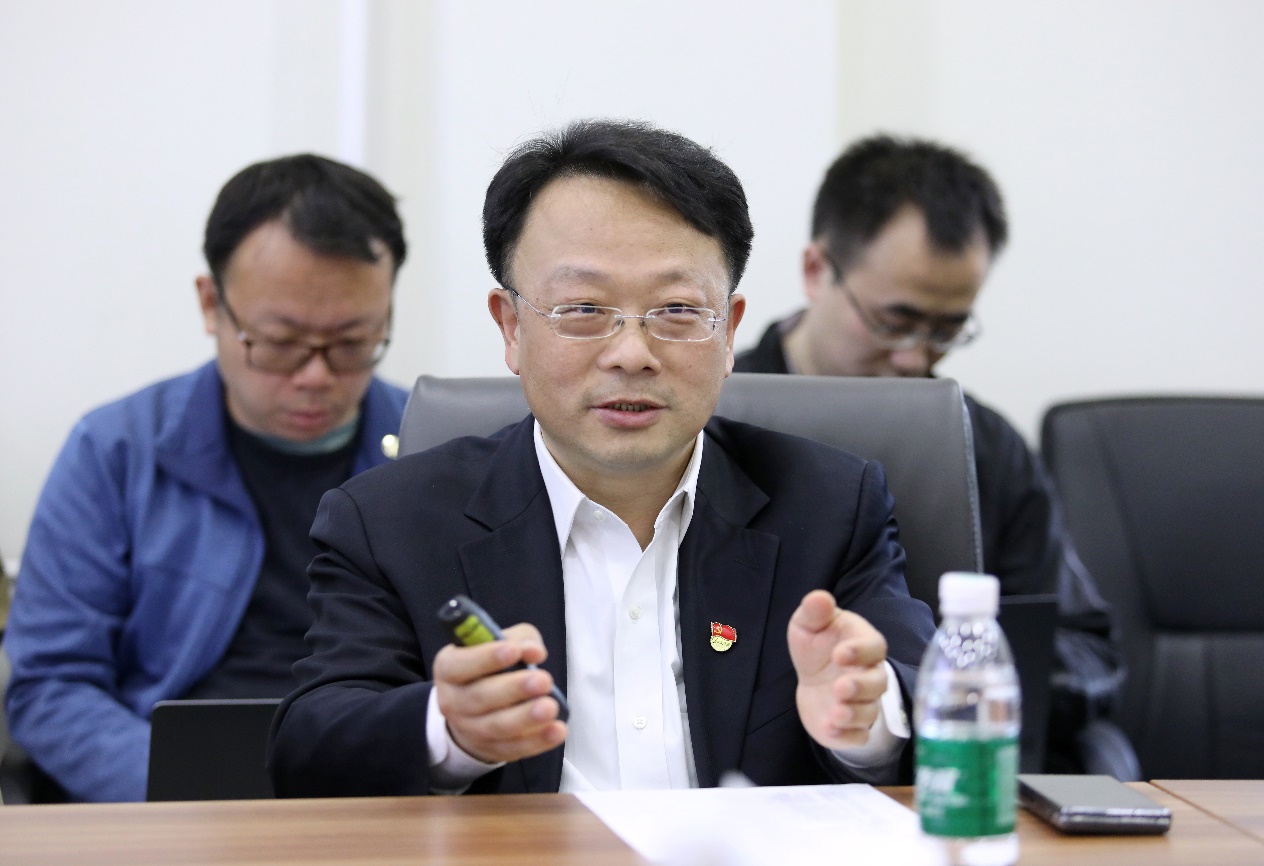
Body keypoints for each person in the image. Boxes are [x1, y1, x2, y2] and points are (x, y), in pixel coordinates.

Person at [268, 120, 936, 797]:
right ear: (511, 327)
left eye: (676, 311)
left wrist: (867, 719)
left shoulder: (830, 506)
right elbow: (309, 750)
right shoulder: (388, 522)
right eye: (584, 309)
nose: (631, 354)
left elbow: (935, 707)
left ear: (729, 332)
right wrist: (452, 731)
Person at [4, 154, 410, 802]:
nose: (315, 376)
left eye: (352, 343)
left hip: (375, 791)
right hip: (167, 794)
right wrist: (178, 797)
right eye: (279, 342)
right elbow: (51, 685)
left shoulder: (429, 455)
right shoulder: (114, 453)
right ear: (211, 304)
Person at [733, 135, 1125, 772]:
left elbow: (1083, 647)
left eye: (947, 329)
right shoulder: (715, 421)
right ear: (816, 270)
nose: (915, 356)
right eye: (893, 321)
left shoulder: (986, 446)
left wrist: (944, 683)